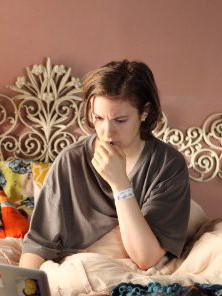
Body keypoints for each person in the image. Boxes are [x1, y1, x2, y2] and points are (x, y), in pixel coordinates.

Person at [19, 60, 190, 271]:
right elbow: (39, 244)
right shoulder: (71, 160)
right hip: (70, 271)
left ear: (144, 112)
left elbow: (146, 258)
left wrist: (121, 186)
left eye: (120, 120)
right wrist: (23, 286)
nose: (107, 132)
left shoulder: (167, 164)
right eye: (98, 118)